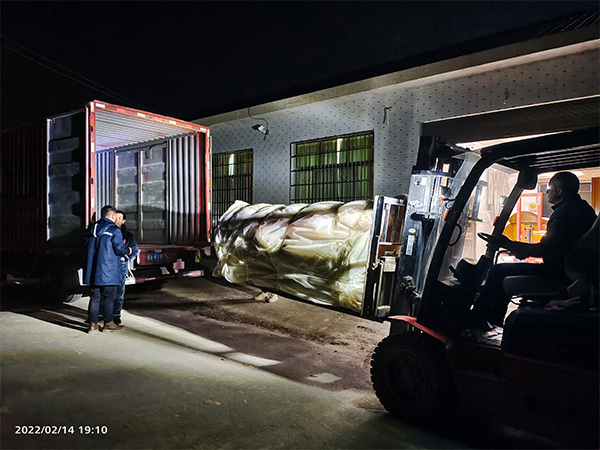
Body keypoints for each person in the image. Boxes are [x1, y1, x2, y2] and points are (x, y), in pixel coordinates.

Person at [475, 171, 597, 326]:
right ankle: (493, 321)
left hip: (558, 273)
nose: (547, 191)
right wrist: (518, 248)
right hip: (567, 269)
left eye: (549, 188)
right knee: (502, 271)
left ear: (559, 191)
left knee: (497, 271)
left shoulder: (565, 214)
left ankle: (479, 319)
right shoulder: (582, 209)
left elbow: (543, 249)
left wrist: (508, 244)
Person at [84, 205, 132, 333]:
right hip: (108, 271)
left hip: (94, 270)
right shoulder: (114, 230)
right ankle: (108, 323)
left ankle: (92, 325)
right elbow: (119, 248)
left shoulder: (92, 228)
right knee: (109, 298)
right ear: (112, 216)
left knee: (95, 297)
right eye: (116, 216)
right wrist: (128, 250)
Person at [113, 210, 139, 325]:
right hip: (109, 265)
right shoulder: (109, 232)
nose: (117, 220)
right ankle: (102, 315)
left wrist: (126, 258)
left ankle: (116, 316)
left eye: (120, 218)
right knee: (107, 291)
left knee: (119, 292)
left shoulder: (127, 235)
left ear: (123, 221)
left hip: (122, 266)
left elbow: (134, 250)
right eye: (116, 218)